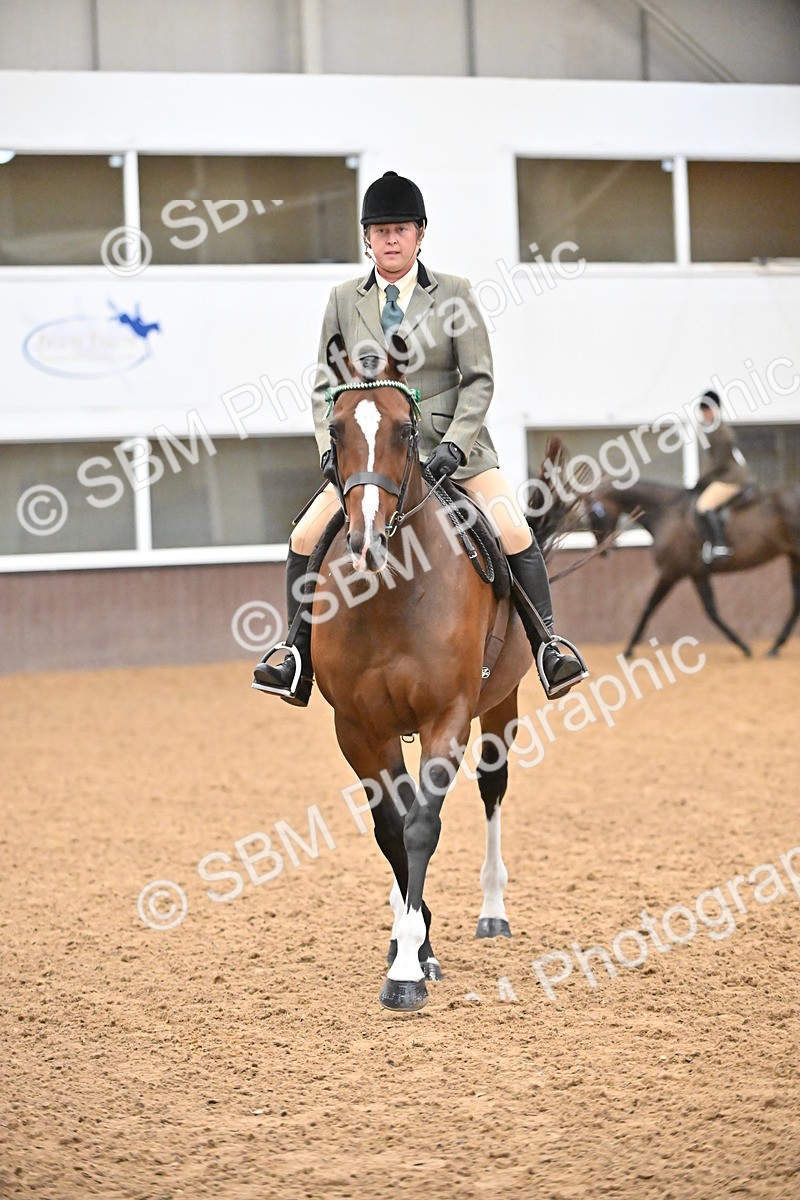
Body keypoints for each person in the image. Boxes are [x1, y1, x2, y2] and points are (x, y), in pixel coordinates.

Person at [253, 170, 586, 706]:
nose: (391, 238)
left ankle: (548, 647)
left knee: (514, 530)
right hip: (372, 458)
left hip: (456, 452)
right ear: (367, 238)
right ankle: (295, 657)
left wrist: (454, 444)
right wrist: (328, 452)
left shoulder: (454, 293)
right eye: (380, 229)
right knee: (303, 538)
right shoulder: (343, 300)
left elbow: (479, 379)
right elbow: (324, 385)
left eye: (401, 228)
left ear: (420, 233)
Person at [694, 390, 754, 564]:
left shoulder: (721, 433)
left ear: (714, 410)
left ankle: (719, 545)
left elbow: (717, 463)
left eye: (706, 411)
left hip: (732, 478)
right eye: (702, 411)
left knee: (703, 505)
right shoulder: (715, 430)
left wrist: (699, 480)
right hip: (726, 476)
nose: (703, 415)